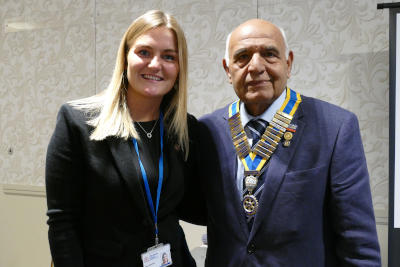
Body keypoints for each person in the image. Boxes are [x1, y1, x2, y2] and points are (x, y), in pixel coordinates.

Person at [192, 18, 381, 266]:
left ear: (288, 63)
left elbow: (358, 243)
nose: (256, 66)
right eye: (243, 57)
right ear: (228, 70)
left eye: (269, 54)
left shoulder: (335, 127)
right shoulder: (206, 130)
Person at [45, 10, 196, 267]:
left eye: (169, 56)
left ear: (179, 67)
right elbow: (62, 222)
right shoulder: (78, 121)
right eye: (144, 52)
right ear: (125, 57)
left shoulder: (184, 127)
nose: (155, 64)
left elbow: (195, 206)